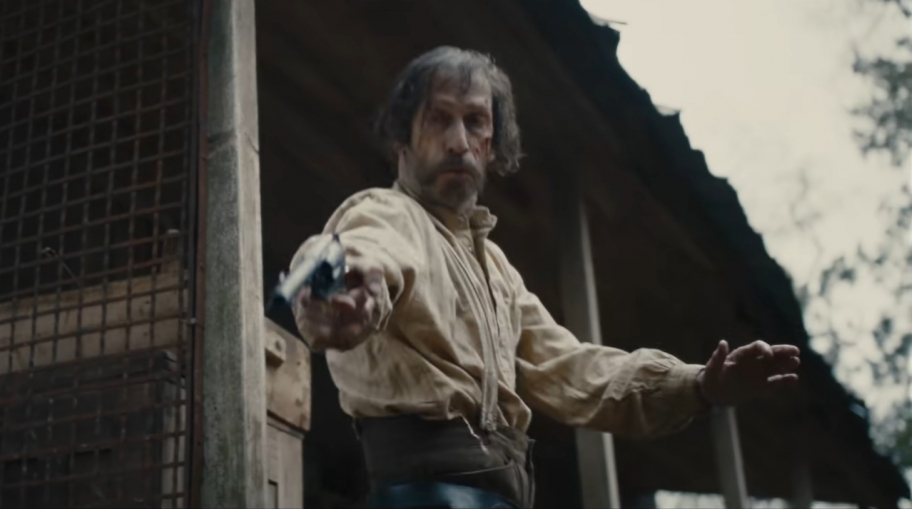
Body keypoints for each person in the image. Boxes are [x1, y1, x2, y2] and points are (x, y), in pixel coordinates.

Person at [290, 46, 801, 509]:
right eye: (439, 119)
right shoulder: (386, 213)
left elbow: (574, 370)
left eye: (475, 122)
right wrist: (337, 288)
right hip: (425, 497)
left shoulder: (498, 273)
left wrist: (698, 384)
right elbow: (355, 253)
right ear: (403, 137)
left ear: (492, 144)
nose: (459, 141)